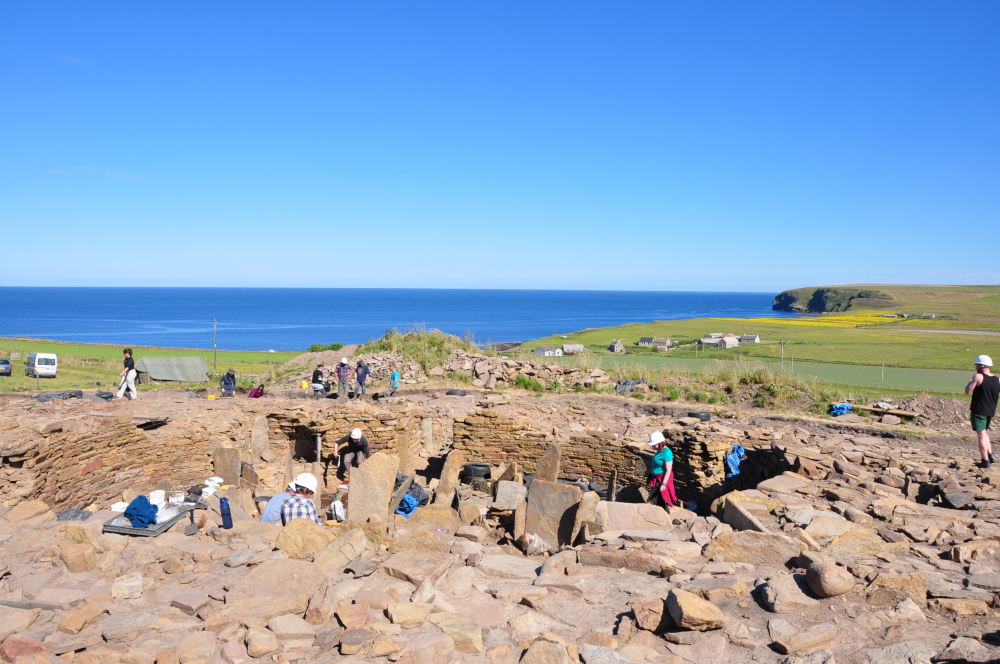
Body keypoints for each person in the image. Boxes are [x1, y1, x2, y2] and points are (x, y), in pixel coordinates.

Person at [965, 355, 998, 468]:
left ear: (981, 365)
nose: (976, 367)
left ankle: (985, 461)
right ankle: (990, 455)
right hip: (991, 410)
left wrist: (971, 382)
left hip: (979, 410)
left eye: (976, 365)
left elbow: (967, 391)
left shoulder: (978, 376)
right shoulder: (997, 379)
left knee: (981, 435)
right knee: (984, 433)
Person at [647, 431, 678, 508]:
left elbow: (668, 470)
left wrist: (663, 484)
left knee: (651, 500)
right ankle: (666, 515)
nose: (653, 447)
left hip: (661, 480)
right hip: (656, 478)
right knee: (660, 502)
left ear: (660, 443)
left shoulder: (667, 453)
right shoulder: (659, 450)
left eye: (654, 445)